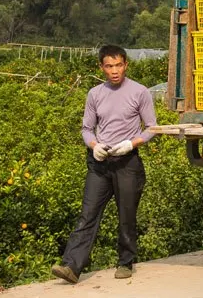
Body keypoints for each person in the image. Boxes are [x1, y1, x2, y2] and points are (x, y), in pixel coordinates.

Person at [51, 45, 156, 284]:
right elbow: (87, 129)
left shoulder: (140, 92)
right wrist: (94, 145)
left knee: (126, 214)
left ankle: (125, 262)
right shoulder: (95, 94)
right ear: (101, 67)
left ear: (126, 65)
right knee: (88, 213)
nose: (114, 71)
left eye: (118, 65)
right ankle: (71, 266)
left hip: (127, 161)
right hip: (100, 162)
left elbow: (151, 127)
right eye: (109, 66)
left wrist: (131, 144)